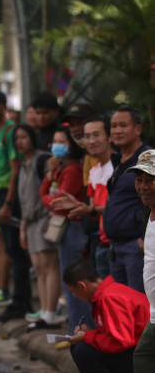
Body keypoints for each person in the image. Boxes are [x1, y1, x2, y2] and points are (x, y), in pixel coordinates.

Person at [64, 258, 150, 373]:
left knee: (83, 351)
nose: (75, 296)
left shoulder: (110, 297)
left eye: (73, 291)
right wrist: (91, 333)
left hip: (147, 362)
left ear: (82, 286)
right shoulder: (110, 291)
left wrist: (87, 336)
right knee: (81, 347)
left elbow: (120, 342)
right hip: (143, 355)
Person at [0, 89, 33, 321]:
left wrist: (8, 204)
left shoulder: (10, 131)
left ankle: (21, 302)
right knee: (8, 247)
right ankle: (16, 299)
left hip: (12, 197)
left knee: (16, 251)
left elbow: (14, 172)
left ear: (3, 107)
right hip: (0, 196)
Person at [41, 126, 93, 332]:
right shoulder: (62, 169)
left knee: (73, 283)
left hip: (73, 229)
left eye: (62, 142)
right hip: (67, 229)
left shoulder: (72, 170)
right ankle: (77, 328)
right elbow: (48, 196)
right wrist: (49, 174)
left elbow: (55, 202)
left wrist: (47, 196)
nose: (57, 146)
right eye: (55, 141)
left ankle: (80, 328)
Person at [12, 124, 60, 330]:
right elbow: (24, 200)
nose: (19, 142)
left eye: (23, 137)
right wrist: (23, 227)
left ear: (32, 138)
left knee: (50, 267)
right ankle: (44, 311)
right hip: (30, 222)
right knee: (39, 270)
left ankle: (51, 312)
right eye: (16, 139)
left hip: (43, 218)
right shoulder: (23, 164)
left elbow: (52, 188)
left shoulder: (42, 160)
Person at [52, 116, 113, 278]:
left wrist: (89, 209)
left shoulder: (120, 167)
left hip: (119, 244)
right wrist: (81, 208)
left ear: (109, 136)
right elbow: (94, 212)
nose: (91, 141)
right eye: (87, 136)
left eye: (96, 135)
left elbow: (118, 208)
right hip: (100, 242)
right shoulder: (94, 171)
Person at [103, 105, 151, 293]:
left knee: (140, 308)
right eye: (113, 126)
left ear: (137, 129)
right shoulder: (118, 159)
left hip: (137, 247)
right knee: (122, 310)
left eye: (123, 125)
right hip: (116, 248)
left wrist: (144, 236)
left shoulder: (147, 158)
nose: (117, 131)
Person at [130, 149, 155, 373]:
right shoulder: (149, 214)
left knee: (144, 358)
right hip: (154, 314)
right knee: (143, 358)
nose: (143, 186)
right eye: (139, 179)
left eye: (150, 179)